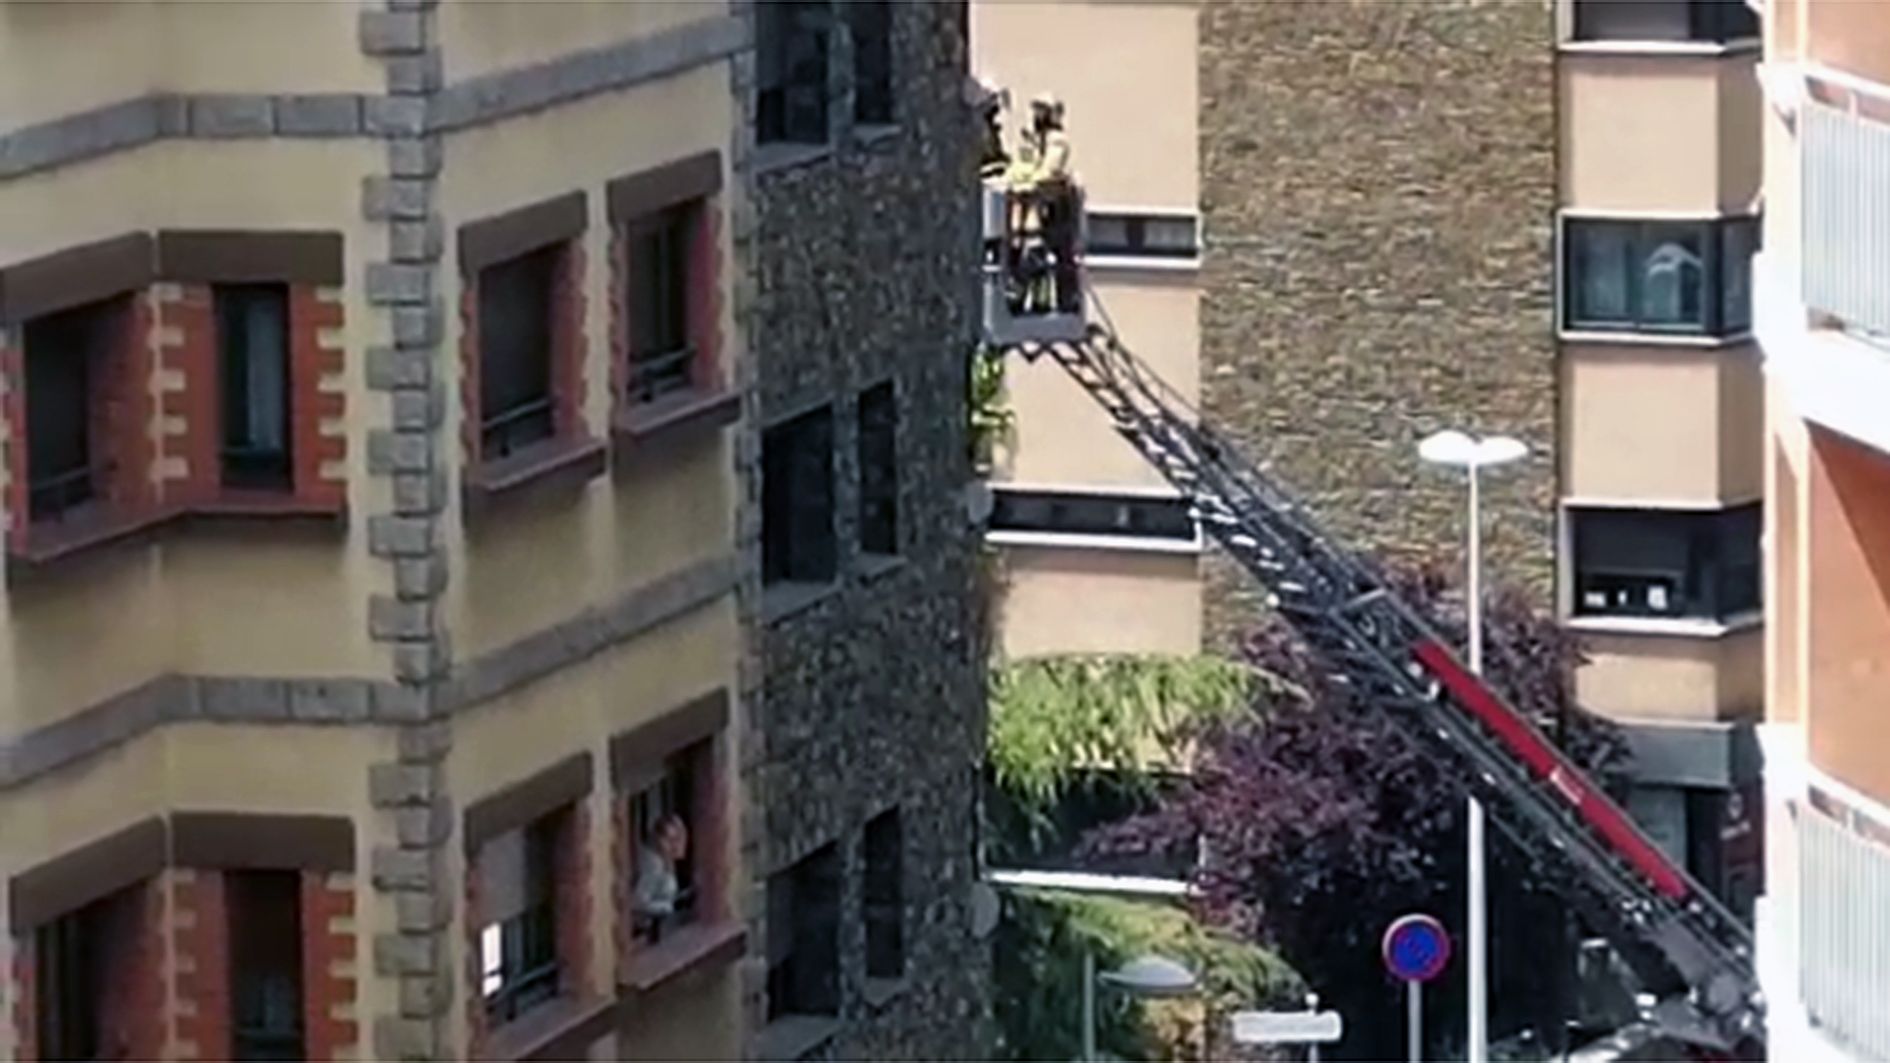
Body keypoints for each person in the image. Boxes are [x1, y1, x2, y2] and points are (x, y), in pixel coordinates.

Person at [632, 814, 690, 939]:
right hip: (643, 933)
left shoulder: (667, 861)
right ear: (658, 839)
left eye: (678, 839)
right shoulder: (653, 865)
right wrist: (666, 907)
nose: (675, 845)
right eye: (670, 840)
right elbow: (638, 902)